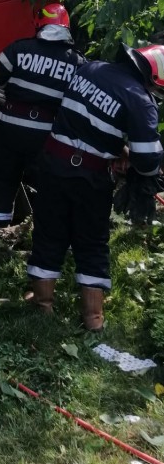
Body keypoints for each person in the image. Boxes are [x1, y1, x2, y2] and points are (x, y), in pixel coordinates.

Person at [28, 43, 164, 330]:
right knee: (91, 242)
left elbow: (86, 120)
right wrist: (135, 162)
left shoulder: (91, 68)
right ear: (153, 79)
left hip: (53, 163)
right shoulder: (140, 100)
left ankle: (43, 307)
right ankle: (93, 321)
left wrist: (118, 148)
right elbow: (149, 160)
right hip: (90, 179)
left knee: (49, 232)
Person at [0, 3, 85, 225]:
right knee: (47, 184)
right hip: (46, 136)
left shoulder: (19, 49)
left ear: (40, 25)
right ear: (66, 27)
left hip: (9, 128)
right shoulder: (76, 62)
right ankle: (44, 233)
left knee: (3, 178)